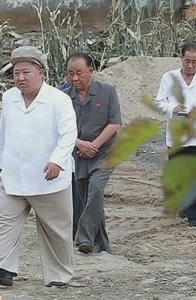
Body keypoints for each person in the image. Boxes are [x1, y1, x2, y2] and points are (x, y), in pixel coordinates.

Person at [0, 46, 77, 287]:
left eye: (26, 72)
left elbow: (68, 134)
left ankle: (58, 276)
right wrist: (0, 163)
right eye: (16, 73)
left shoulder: (59, 100)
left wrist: (57, 159)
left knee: (56, 231)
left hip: (49, 177)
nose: (20, 78)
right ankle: (1, 268)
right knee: (5, 225)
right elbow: (4, 132)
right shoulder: (9, 97)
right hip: (13, 176)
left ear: (41, 72)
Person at [64, 52, 122, 254]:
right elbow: (57, 128)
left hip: (105, 153)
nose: (74, 78)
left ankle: (83, 237)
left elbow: (114, 123)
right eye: (70, 73)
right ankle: (101, 246)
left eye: (79, 73)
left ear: (92, 71)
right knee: (89, 199)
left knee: (95, 190)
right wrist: (80, 144)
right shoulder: (63, 97)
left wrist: (93, 146)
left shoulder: (107, 92)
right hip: (77, 155)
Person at [155, 43, 196, 227]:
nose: (190, 66)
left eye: (194, 62)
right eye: (187, 61)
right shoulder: (169, 77)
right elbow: (159, 102)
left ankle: (195, 214)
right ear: (181, 58)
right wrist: (171, 109)